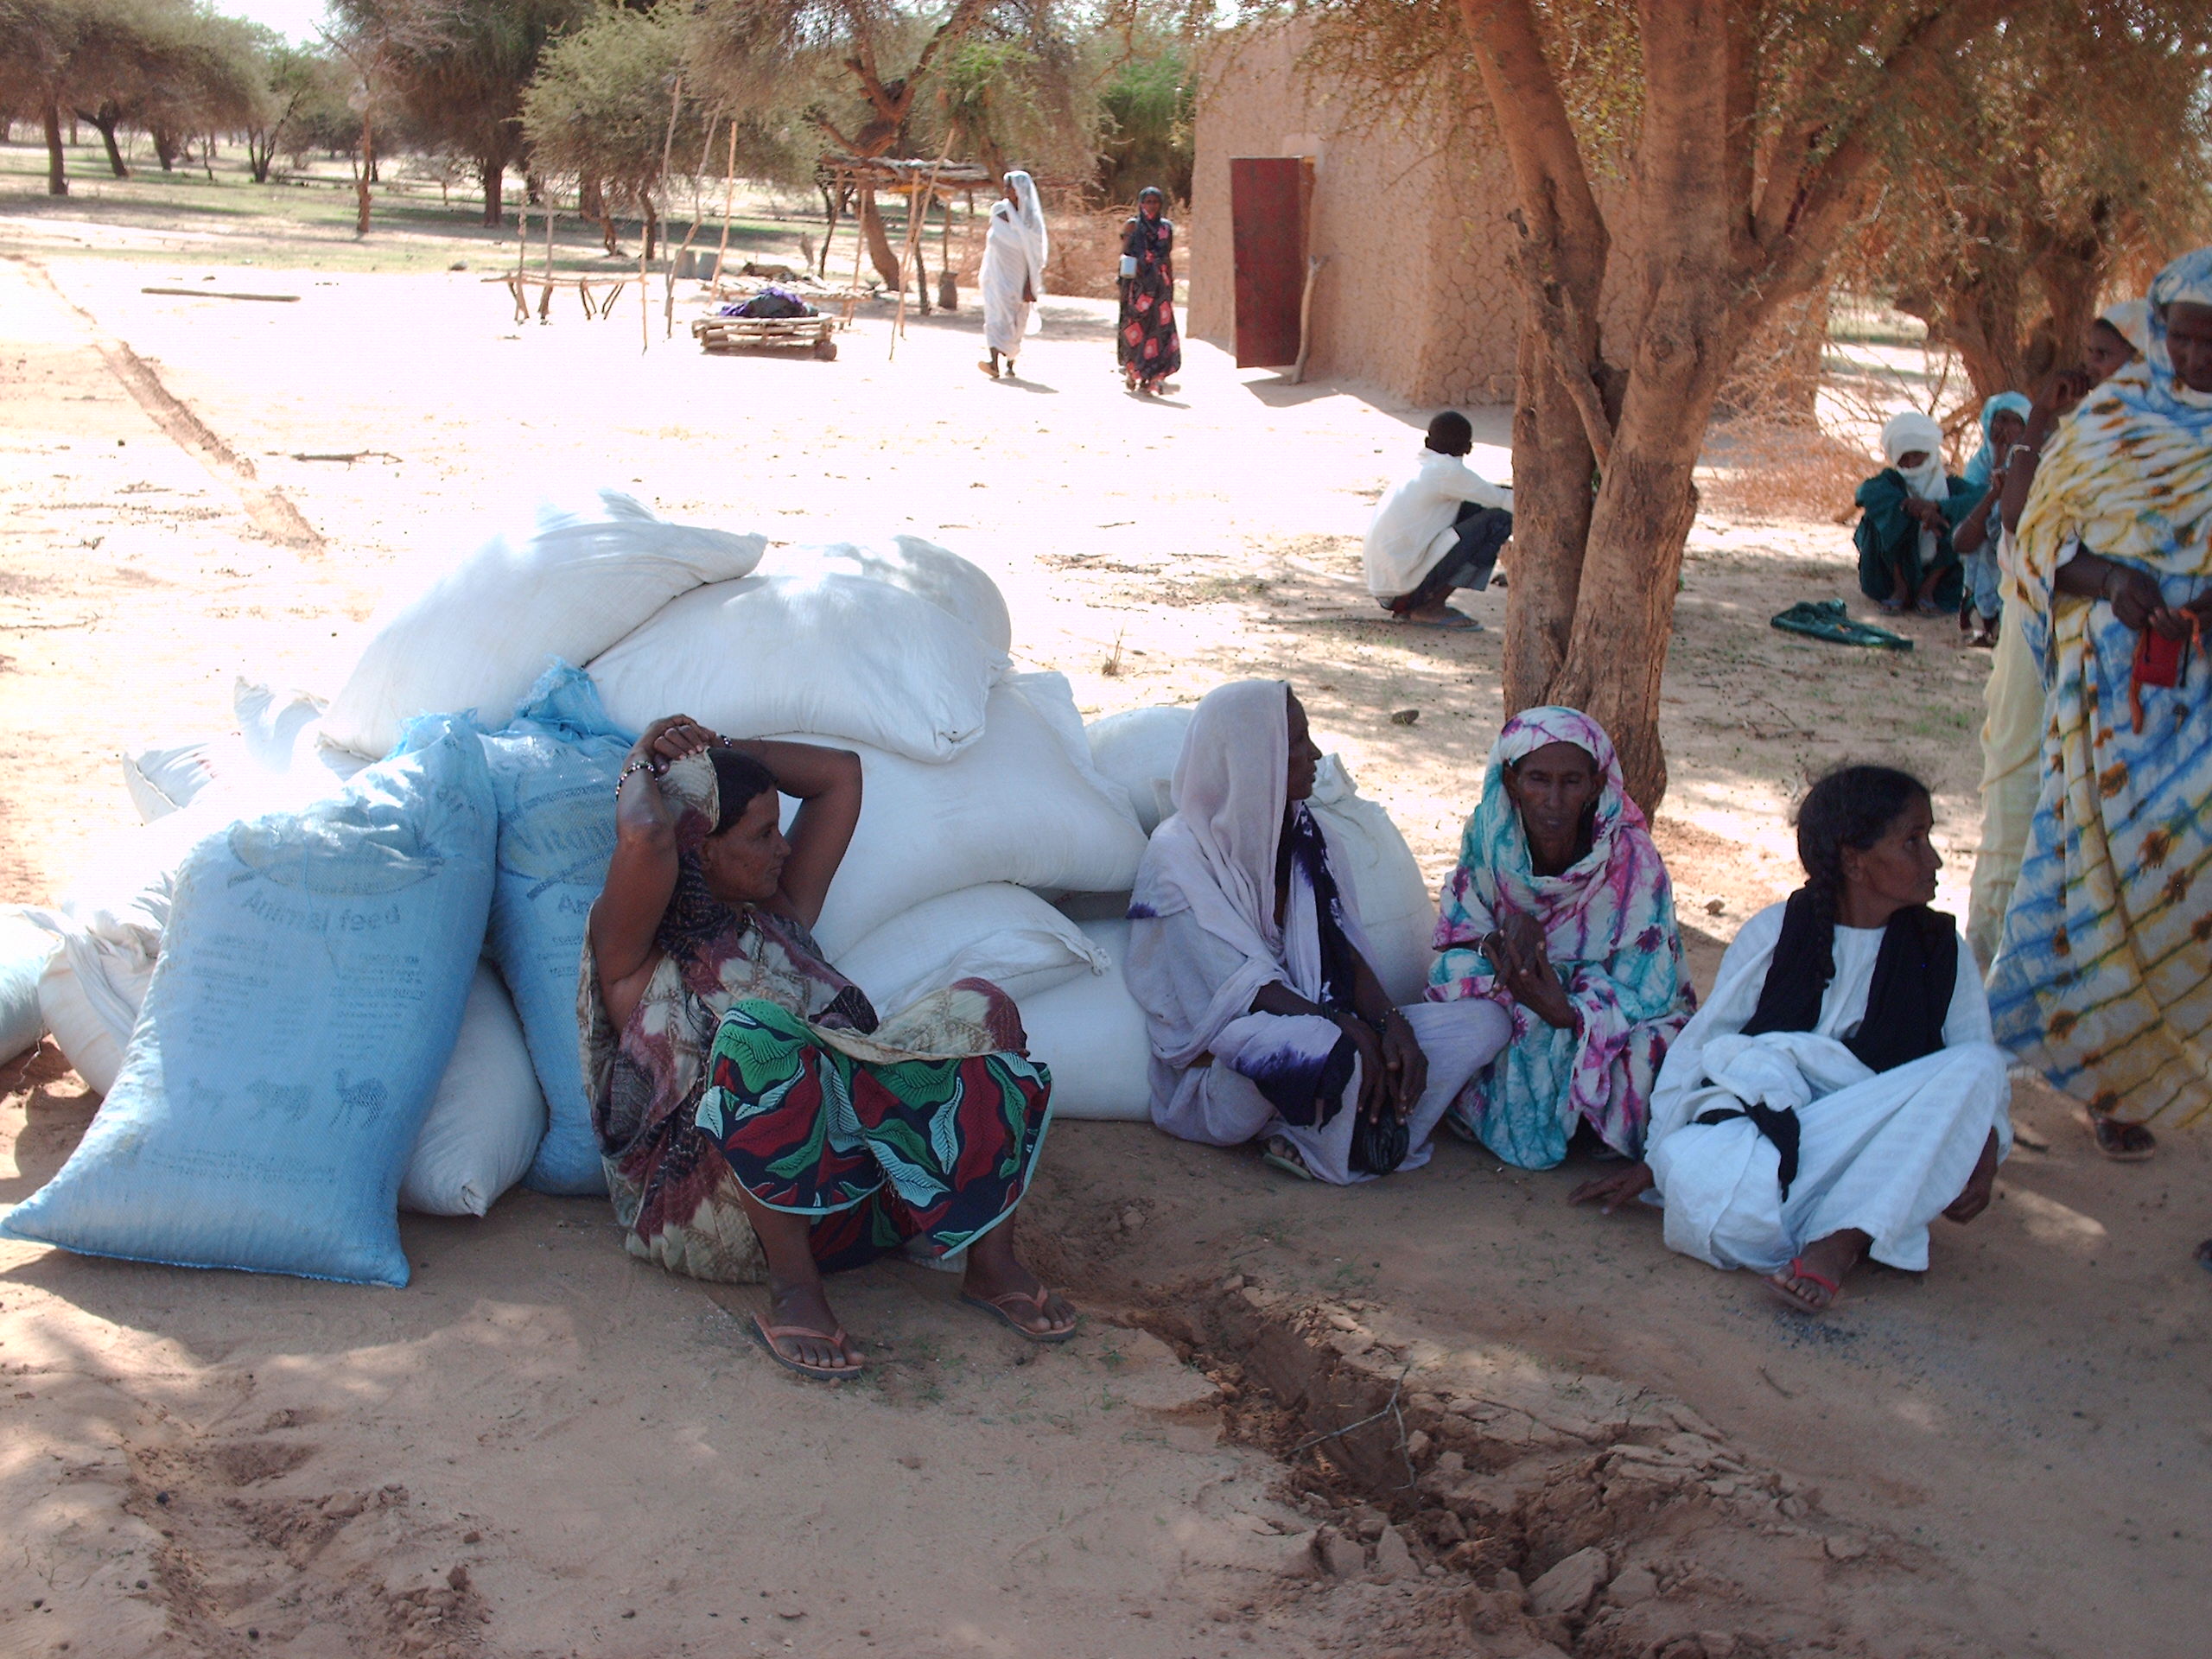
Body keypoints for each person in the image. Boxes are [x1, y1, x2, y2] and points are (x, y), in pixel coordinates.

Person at [584, 715, 1074, 1382]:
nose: (784, 848)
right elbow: (645, 834)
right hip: (717, 1222)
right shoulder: (635, 958)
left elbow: (839, 775)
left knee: (982, 1008)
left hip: (854, 1203)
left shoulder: (779, 915)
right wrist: (642, 757)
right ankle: (795, 1292)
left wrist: (718, 750)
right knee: (759, 1036)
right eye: (762, 834)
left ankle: (990, 1265)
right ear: (702, 849)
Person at [1573, 766, 2010, 1314]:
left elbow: (1973, 1081)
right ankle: (1846, 1221)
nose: (1934, 860)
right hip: (1777, 1139)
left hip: (1872, 1146)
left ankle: (1840, 1242)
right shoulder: (1775, 931)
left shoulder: (1942, 951)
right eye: (1913, 841)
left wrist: (1984, 1152)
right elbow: (1702, 1050)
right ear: (1855, 860)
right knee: (1708, 1185)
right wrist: (1657, 1159)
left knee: (1979, 1065)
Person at [1986, 246, 2212, 1163]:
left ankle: (2166, 1064)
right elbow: (2037, 540)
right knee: (2098, 875)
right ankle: (2109, 1079)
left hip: (2200, 709)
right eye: (2183, 339)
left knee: (2185, 882)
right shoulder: (2110, 421)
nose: (2196, 360)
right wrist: (2114, 582)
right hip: (2108, 707)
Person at [1125, 681, 1512, 1184]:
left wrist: (1391, 1022)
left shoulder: (1309, 833)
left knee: (1483, 1023)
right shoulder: (1176, 854)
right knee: (1315, 1044)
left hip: (1330, 1028)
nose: (1314, 755)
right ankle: (1328, 1133)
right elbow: (1241, 990)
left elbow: (1343, 951)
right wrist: (1342, 1027)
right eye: (1296, 743)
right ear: (1252, 758)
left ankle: (1351, 1126)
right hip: (1230, 1068)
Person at [1426, 708, 1697, 1170]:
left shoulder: (1631, 856)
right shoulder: (1489, 831)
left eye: (1571, 782)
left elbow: (1650, 989)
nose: (1553, 800)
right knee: (1456, 979)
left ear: (1595, 785)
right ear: (1512, 782)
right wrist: (1504, 940)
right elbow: (1459, 930)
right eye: (1538, 780)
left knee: (1653, 1051)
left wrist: (1570, 1012)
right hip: (1518, 982)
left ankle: (1573, 1121)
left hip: (1608, 1005)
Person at [1965, 305, 2146, 967]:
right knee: (2018, 775)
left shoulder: (2166, 447)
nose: (2089, 368)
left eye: (2105, 356)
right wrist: (2040, 419)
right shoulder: (2076, 435)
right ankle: (1994, 954)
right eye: (2089, 353)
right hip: (2036, 629)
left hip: (2119, 646)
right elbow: (2019, 521)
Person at [1361, 411, 1514, 632]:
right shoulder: (1449, 471)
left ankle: (1421, 603)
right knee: (1499, 519)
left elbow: (1489, 494)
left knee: (1478, 506)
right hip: (1403, 592)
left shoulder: (1418, 466)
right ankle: (1430, 607)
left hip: (1387, 588)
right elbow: (1509, 502)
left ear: (1427, 442)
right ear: (1468, 448)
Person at [1854, 410, 1976, 614]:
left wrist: (1938, 508)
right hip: (1886, 579)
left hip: (1945, 583)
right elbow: (1864, 492)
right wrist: (1911, 507)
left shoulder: (1952, 487)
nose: (1911, 464)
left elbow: (1980, 497)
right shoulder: (1891, 481)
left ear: (1930, 452)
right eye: (1904, 457)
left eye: (1917, 456)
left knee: (1961, 516)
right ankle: (1900, 586)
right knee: (1883, 512)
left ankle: (1929, 588)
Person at [1952, 392, 2031, 647]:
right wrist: (1997, 465)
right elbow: (1969, 523)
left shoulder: (2032, 465)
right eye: (2001, 420)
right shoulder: (1978, 466)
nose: (2005, 429)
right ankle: (1983, 617)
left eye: (2014, 422)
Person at [977, 169, 1047, 381]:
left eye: (1011, 187)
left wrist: (1029, 285)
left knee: (1016, 319)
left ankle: (1010, 360)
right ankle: (993, 362)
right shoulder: (998, 211)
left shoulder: (1031, 220)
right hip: (996, 274)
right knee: (994, 315)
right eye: (1006, 187)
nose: (1007, 191)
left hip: (1020, 277)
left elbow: (1034, 256)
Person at [1117, 186, 1181, 395]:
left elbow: (1167, 256)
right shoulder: (1133, 226)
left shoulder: (1166, 228)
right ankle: (1132, 370)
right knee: (1135, 328)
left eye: (1155, 202)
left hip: (1160, 285)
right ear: (1141, 203)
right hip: (1137, 287)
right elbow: (1125, 254)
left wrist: (1170, 284)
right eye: (1148, 202)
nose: (1151, 206)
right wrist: (1123, 282)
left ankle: (1152, 377)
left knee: (1158, 330)